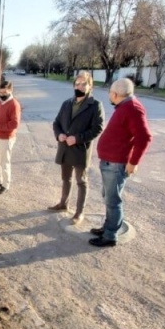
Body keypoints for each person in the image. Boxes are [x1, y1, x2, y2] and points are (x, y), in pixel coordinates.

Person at [90, 78, 153, 248]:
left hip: (116, 164)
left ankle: (110, 236)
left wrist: (133, 162)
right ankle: (108, 227)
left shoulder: (132, 108)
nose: (109, 95)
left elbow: (144, 137)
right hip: (110, 162)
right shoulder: (124, 106)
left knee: (113, 200)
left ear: (115, 94)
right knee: (108, 197)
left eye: (110, 92)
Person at [48, 71, 105, 225]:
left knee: (81, 181)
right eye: (77, 84)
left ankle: (79, 212)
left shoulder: (95, 105)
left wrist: (78, 138)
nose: (80, 86)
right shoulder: (67, 103)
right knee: (66, 178)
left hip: (80, 150)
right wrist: (59, 134)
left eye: (83, 84)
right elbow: (56, 123)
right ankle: (63, 203)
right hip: (65, 148)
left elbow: (97, 128)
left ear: (90, 86)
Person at [0, 80, 21, 195]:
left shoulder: (14, 104)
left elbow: (14, 124)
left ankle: (6, 184)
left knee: (4, 162)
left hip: (6, 138)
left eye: (4, 92)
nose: (1, 94)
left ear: (10, 91)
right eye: (0, 92)